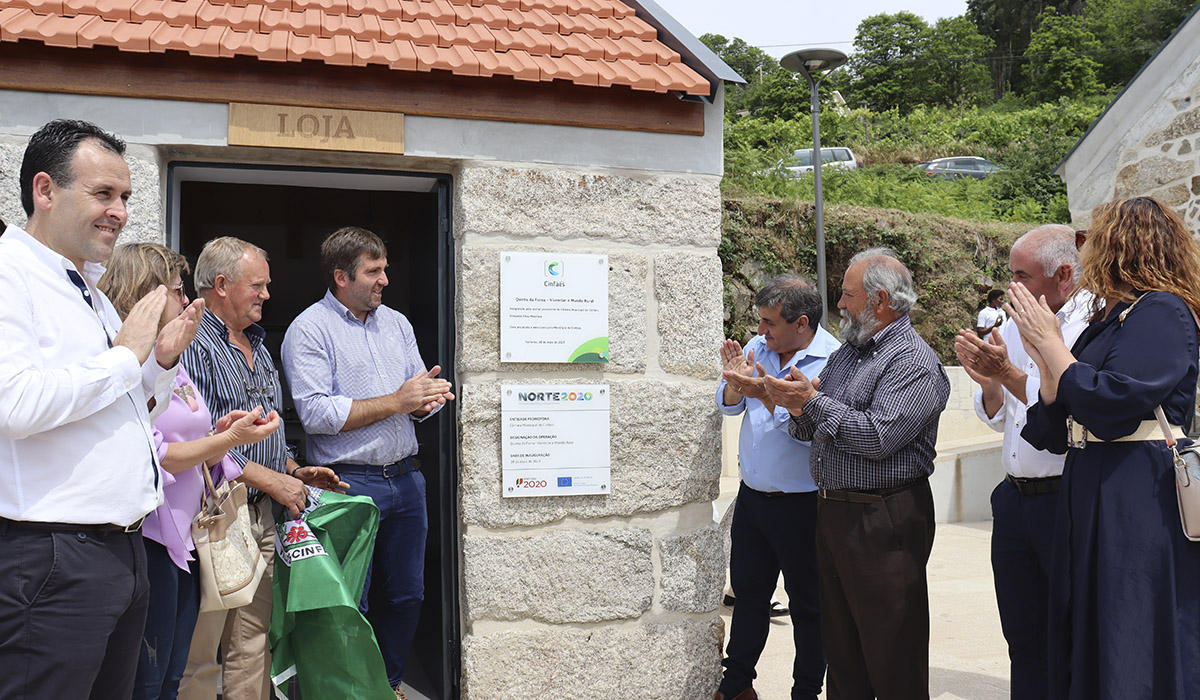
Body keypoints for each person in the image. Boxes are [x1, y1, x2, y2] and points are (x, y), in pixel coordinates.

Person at [0, 119, 203, 700]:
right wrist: (124, 359)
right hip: (51, 559)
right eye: (103, 194)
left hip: (120, 552)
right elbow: (13, 404)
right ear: (45, 190)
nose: (119, 211)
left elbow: (128, 407)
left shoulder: (86, 288)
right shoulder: (10, 275)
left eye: (125, 198)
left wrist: (157, 365)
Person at [1010, 197, 1200, 700]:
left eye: (1092, 237)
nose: (1085, 248)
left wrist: (1051, 346)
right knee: (1089, 621)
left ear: (1121, 244)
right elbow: (1059, 417)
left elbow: (1115, 400)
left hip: (1136, 490)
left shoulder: (1162, 310)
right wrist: (1047, 361)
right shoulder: (1111, 316)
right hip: (1093, 482)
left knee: (1127, 622)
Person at [758, 247, 950, 700]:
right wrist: (795, 403)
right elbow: (814, 428)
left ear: (880, 301)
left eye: (846, 295)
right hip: (836, 513)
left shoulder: (912, 363)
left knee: (891, 650)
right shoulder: (850, 351)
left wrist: (813, 402)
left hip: (884, 518)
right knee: (842, 649)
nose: (839, 305)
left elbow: (877, 439)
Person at [98, 243, 282, 700]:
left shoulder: (172, 360)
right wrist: (230, 441)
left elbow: (188, 431)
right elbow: (157, 453)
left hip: (184, 540)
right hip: (153, 537)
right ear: (150, 297)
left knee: (172, 670)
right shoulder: (130, 361)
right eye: (180, 292)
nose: (188, 302)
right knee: (154, 676)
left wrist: (222, 430)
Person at [282, 226, 453, 699]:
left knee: (408, 595)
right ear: (341, 276)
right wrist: (399, 401)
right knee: (347, 600)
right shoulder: (310, 329)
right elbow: (316, 415)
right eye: (373, 272)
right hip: (347, 484)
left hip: (406, 480)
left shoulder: (396, 323)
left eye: (385, 270)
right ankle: (345, 691)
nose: (384, 281)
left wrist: (426, 399)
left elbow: (413, 394)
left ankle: (389, 683)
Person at [177, 237, 346, 700]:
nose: (267, 295)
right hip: (214, 515)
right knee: (202, 651)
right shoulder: (194, 342)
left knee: (252, 645)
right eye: (258, 285)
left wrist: (292, 468)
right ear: (222, 284)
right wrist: (270, 478)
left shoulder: (259, 343)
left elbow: (266, 431)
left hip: (262, 515)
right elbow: (201, 440)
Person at [953, 225, 1090, 700]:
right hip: (1014, 500)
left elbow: (1064, 414)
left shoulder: (1091, 325)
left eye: (1021, 276)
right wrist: (987, 381)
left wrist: (1006, 373)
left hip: (1065, 499)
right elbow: (1002, 419)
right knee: (1022, 633)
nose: (1011, 288)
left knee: (1072, 632)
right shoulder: (1012, 325)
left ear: (1064, 274)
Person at [714, 274, 839, 700]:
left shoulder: (834, 362)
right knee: (749, 597)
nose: (761, 332)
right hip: (753, 501)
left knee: (809, 606)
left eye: (769, 323)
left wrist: (767, 395)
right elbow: (727, 406)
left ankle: (805, 691)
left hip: (805, 506)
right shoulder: (756, 348)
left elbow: (816, 431)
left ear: (801, 323)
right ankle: (736, 687)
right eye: (760, 322)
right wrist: (735, 385)